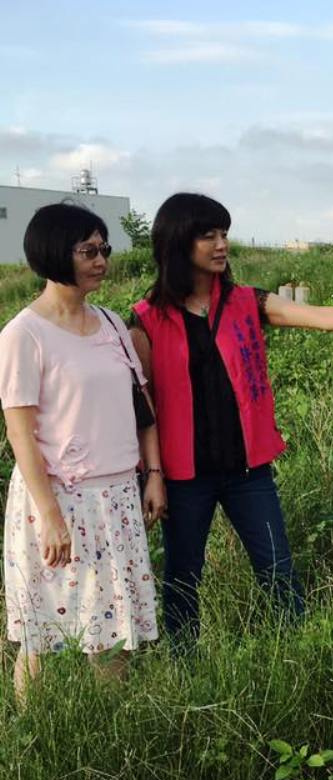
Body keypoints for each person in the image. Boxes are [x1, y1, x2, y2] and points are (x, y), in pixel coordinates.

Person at [129, 192, 333, 640]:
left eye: (224, 234)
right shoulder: (146, 319)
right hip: (183, 476)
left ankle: (296, 648)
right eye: (208, 235)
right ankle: (185, 668)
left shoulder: (245, 302)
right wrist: (152, 473)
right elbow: (145, 409)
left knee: (278, 571)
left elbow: (314, 315)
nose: (221, 245)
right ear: (178, 243)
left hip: (248, 471)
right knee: (182, 581)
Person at [1, 204, 165, 699]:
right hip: (56, 501)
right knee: (40, 630)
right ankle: (33, 735)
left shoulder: (114, 324)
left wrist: (152, 473)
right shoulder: (23, 334)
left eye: (104, 249)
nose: (101, 260)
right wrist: (49, 515)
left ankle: (109, 725)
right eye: (87, 250)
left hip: (116, 495)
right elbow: (20, 434)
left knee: (114, 630)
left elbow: (142, 406)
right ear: (55, 253)